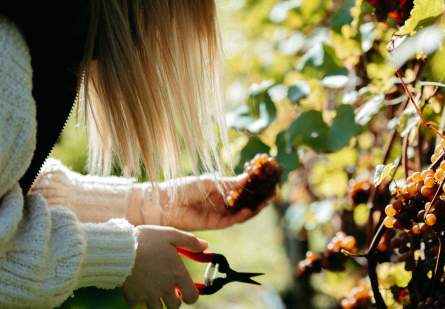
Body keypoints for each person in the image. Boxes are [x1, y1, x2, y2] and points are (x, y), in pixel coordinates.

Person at [0, 1, 269, 308]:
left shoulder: (38, 30)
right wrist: (123, 256)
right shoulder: (6, 60)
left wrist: (148, 205)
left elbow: (10, 179)